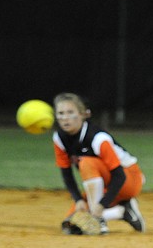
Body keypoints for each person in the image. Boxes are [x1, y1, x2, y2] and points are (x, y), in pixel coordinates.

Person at [52, 92, 146, 234]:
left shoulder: (98, 138)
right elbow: (67, 175)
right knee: (71, 225)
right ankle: (122, 211)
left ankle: (98, 219)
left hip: (129, 179)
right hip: (104, 184)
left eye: (70, 112)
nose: (65, 118)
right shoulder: (59, 138)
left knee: (87, 163)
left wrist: (101, 206)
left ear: (83, 114)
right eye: (61, 113)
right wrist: (78, 200)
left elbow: (119, 176)